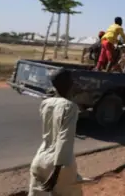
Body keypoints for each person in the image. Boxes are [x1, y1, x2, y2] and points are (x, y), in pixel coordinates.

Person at [29, 68, 87, 196]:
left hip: (40, 159)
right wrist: (56, 173)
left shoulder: (45, 103)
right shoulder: (70, 107)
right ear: (69, 84)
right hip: (58, 164)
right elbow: (64, 138)